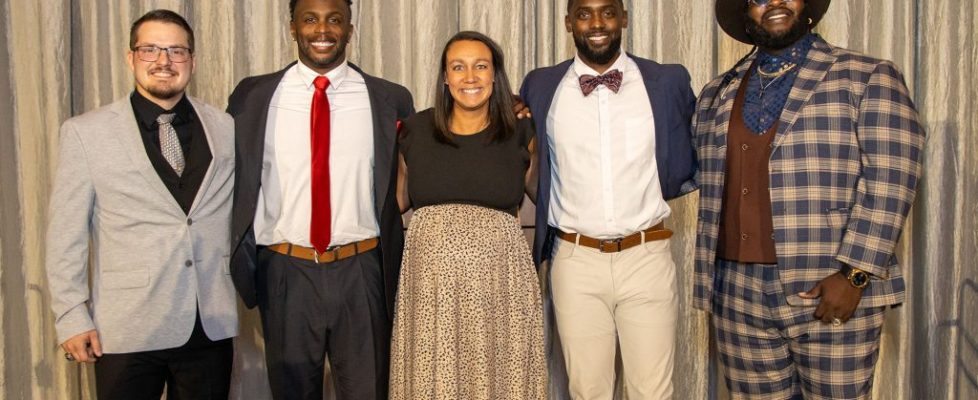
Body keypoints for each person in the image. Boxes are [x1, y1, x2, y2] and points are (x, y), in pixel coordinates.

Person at [693, 0, 926, 398]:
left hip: (829, 287)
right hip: (736, 294)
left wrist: (855, 274)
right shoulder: (717, 91)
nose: (776, 3)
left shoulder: (866, 76)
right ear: (747, 13)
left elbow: (892, 179)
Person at [226, 0, 414, 398]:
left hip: (363, 271)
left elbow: (411, 173)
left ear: (350, 27)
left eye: (334, 20)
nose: (322, 30)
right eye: (309, 19)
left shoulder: (389, 98)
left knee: (368, 391)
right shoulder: (252, 97)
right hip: (285, 271)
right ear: (292, 27)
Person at [45, 9, 237, 400]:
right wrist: (71, 315)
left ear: (192, 61)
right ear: (130, 57)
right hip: (127, 327)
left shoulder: (225, 126)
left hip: (209, 323)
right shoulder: (86, 133)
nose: (163, 61)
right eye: (150, 49)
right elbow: (66, 233)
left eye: (176, 51)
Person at [518, 0, 697, 398]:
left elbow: (696, 148)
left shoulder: (666, 81)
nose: (597, 23)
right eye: (584, 13)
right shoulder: (542, 86)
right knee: (587, 390)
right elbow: (531, 165)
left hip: (646, 255)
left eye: (607, 12)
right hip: (575, 261)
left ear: (624, 19)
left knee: (653, 391)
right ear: (569, 23)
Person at [388, 31, 546, 400]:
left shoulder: (522, 130)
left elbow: (547, 195)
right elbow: (395, 200)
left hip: (501, 286)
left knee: (498, 379)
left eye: (481, 66)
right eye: (458, 67)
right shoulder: (415, 130)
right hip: (430, 290)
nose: (470, 77)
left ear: (496, 75)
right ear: (445, 77)